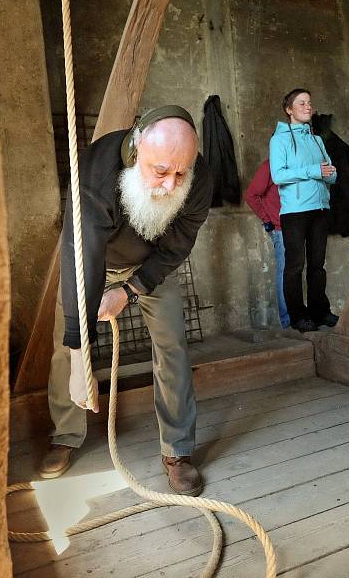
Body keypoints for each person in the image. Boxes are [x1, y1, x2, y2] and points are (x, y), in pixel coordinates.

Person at [40, 106, 212, 497]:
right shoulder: (95, 171)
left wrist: (131, 289)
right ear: (136, 151)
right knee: (65, 350)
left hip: (151, 268)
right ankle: (65, 434)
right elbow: (80, 255)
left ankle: (178, 451)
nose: (171, 185)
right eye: (161, 171)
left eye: (181, 173)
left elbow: (178, 246)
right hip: (92, 264)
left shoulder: (198, 179)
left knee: (173, 348)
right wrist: (80, 348)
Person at [269, 88, 338, 333]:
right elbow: (278, 175)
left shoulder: (317, 139)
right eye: (301, 103)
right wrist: (314, 171)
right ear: (289, 109)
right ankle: (298, 316)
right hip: (295, 212)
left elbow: (330, 172)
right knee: (295, 265)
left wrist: (329, 175)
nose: (308, 107)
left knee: (318, 265)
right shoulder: (279, 140)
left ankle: (321, 312)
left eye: (309, 102)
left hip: (320, 208)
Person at [245, 159, 290, 329]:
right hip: (280, 228)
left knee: (293, 271)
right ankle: (287, 320)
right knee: (285, 271)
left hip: (294, 226)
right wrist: (267, 220)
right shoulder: (269, 165)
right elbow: (251, 195)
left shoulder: (292, 163)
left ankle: (294, 317)